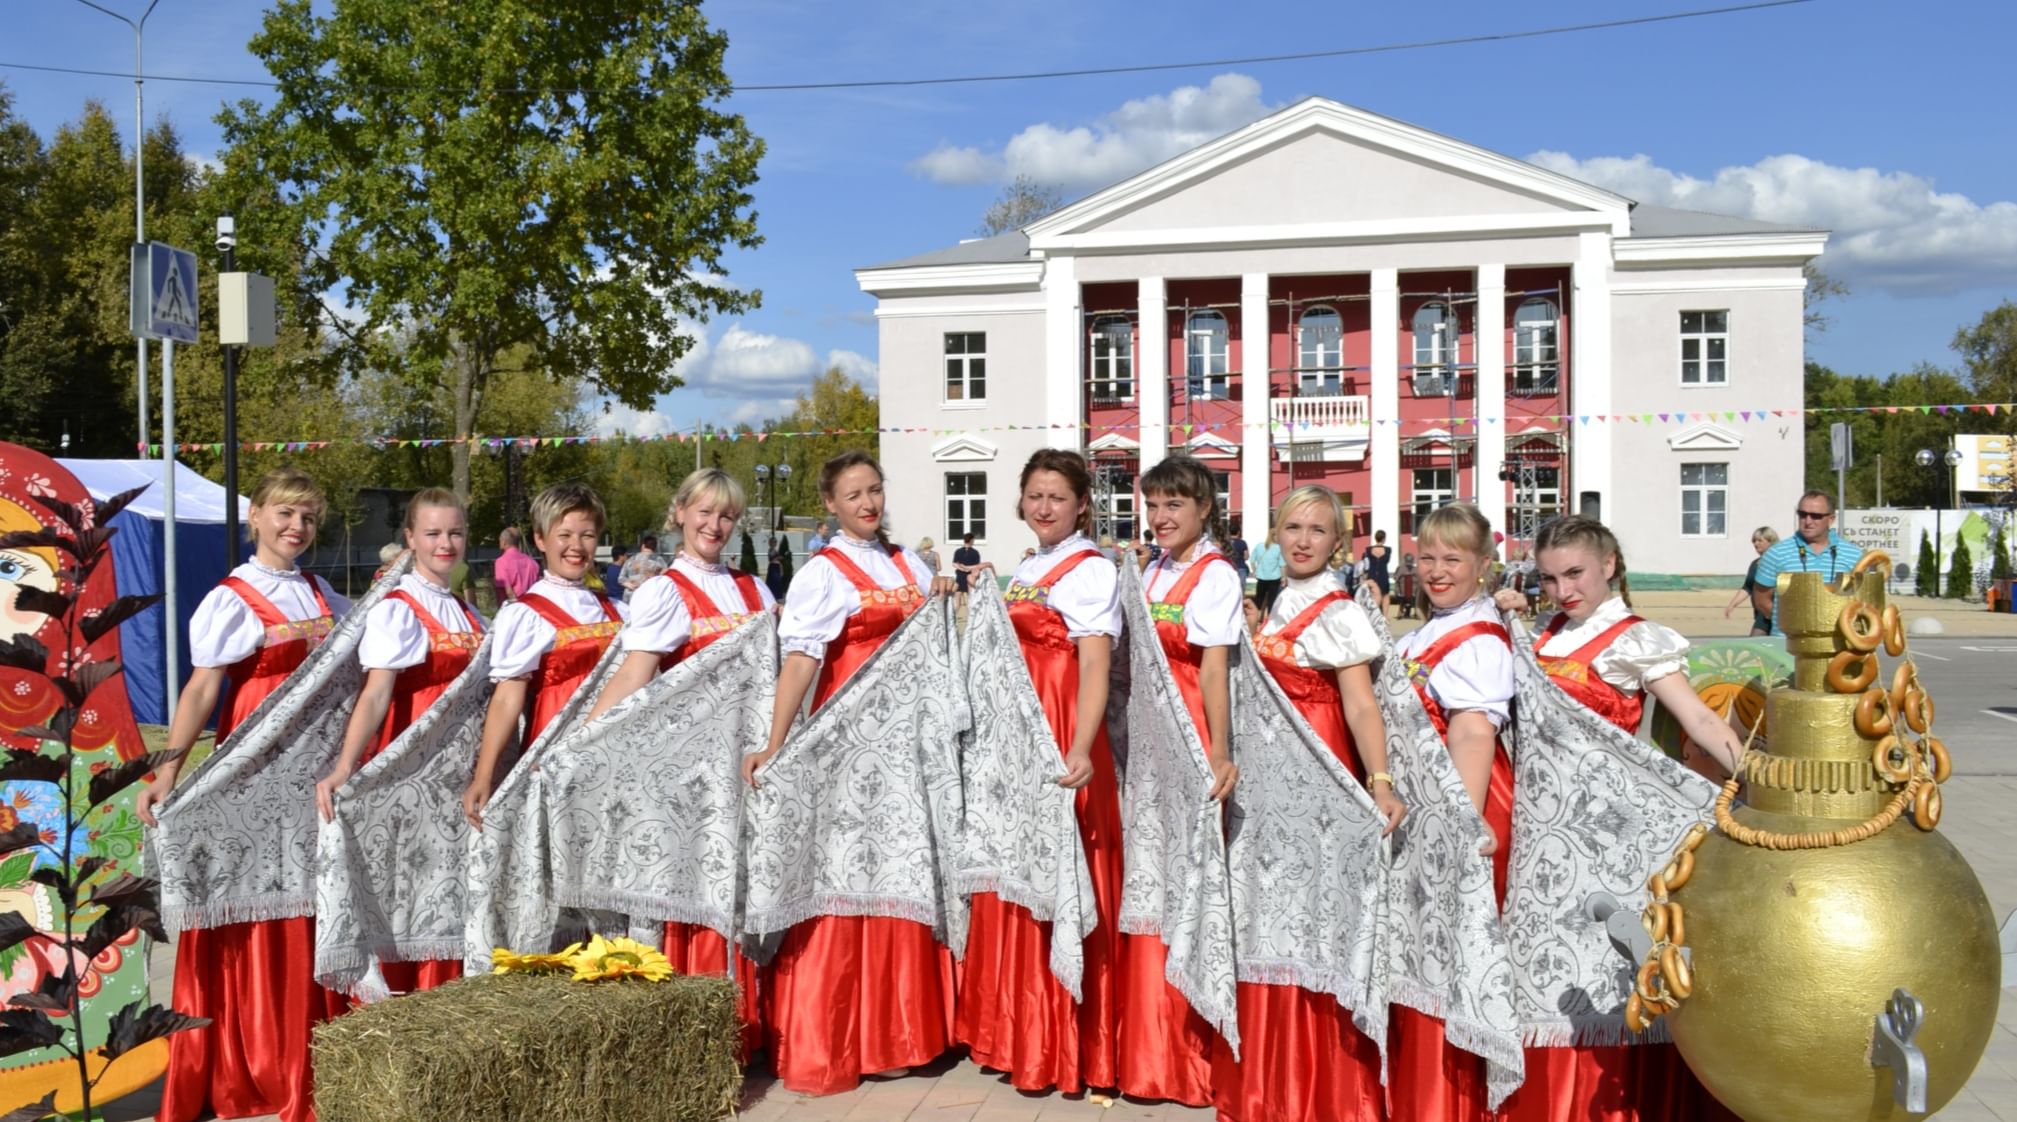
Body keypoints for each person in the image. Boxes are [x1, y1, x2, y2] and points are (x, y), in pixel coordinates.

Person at [1491, 516, 1743, 1122]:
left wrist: (1750, 777)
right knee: (1541, 973)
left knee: (1609, 974)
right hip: (1541, 834)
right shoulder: (1543, 632)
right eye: (1550, 578)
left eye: (1575, 573)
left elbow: (1699, 722)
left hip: (1609, 838)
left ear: (1608, 564)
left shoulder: (1637, 639)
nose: (1563, 589)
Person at [137, 468, 353, 1122]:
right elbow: (203, 689)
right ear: (255, 517)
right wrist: (168, 768)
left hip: (312, 766)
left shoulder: (324, 594)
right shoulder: (233, 597)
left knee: (307, 903)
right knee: (246, 902)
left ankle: (307, 1064)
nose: (297, 528)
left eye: (308, 518)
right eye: (285, 514)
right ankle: (250, 1067)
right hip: (254, 764)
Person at [740, 450, 956, 1095]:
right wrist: (777, 742)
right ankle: (834, 1033)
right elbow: (803, 662)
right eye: (854, 494)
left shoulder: (909, 563)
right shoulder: (822, 573)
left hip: (906, 748)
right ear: (830, 504)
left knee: (901, 867)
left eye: (875, 491)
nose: (868, 502)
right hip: (847, 746)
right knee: (845, 872)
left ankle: (900, 1032)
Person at [1212, 484, 1402, 1122]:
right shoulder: (1278, 600)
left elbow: (1359, 703)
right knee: (1270, 914)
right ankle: (1270, 1081)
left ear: (1338, 543)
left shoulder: (1340, 611)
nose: (1302, 540)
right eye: (1293, 527)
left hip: (1318, 772)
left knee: (1317, 920)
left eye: (1318, 531)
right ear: (1274, 533)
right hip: (1270, 783)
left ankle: (1323, 1093)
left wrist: (1378, 778)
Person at [584, 469, 773, 1051]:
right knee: (693, 885)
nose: (714, 526)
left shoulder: (754, 589)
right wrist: (588, 739)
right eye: (704, 513)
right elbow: (637, 674)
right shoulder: (665, 590)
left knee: (741, 886)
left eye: (726, 516)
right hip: (688, 771)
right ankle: (694, 1040)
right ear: (680, 514)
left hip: (745, 761)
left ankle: (746, 1031)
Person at [955, 449, 1124, 1094]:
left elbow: (1093, 664)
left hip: (1059, 725)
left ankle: (1057, 1043)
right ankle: (1011, 1030)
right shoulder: (1029, 567)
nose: (1044, 507)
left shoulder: (1089, 571)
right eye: (1034, 496)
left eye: (1056, 496)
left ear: (1082, 503)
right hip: (1014, 738)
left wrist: (1081, 745)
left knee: (1055, 872)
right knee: (1013, 869)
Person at [315, 488, 484, 994]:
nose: (445, 543)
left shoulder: (468, 611)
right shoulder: (399, 608)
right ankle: (416, 1000)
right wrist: (347, 764)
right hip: (416, 772)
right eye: (432, 533)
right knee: (416, 889)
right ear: (410, 538)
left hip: (464, 773)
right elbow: (376, 693)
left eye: (454, 532)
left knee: (456, 888)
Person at [1387, 502, 1515, 1122]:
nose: (1437, 572)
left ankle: (1451, 1104)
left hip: (1465, 802)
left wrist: (1460, 826)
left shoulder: (1476, 641)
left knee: (1450, 947)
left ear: (1483, 566)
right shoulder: (1430, 629)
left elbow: (1470, 735)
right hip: (1426, 806)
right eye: (1428, 558)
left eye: (1452, 560)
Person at [1123, 454, 1240, 1106]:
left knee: (1190, 887)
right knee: (1154, 884)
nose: (1162, 516)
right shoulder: (1153, 570)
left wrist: (1219, 751)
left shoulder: (1212, 574)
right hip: (1149, 747)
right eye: (1154, 504)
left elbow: (1215, 668)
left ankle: (1192, 1061)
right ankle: (1152, 1054)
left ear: (1203, 510)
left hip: (1191, 739)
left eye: (1175, 505)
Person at [461, 483, 626, 829]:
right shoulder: (526, 614)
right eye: (564, 534)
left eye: (588, 535)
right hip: (552, 757)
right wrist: (484, 775)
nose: (576, 547)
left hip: (616, 757)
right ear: (540, 539)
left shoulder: (618, 609)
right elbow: (507, 698)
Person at [1752, 490, 1863, 633]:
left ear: (1831, 519)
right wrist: (1791, 623)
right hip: (1787, 646)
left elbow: (1861, 601)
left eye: (1816, 516)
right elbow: (1761, 600)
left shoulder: (1853, 554)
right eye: (1803, 515)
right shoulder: (1776, 553)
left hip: (1837, 646)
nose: (1808, 521)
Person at [1726, 526, 1779, 636]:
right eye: (1754, 541)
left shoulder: (1778, 562)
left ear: (1771, 541)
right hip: (1760, 612)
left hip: (1774, 611)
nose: (1756, 544)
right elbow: (1747, 587)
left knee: (1756, 641)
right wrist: (1732, 604)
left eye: (1760, 540)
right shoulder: (1755, 564)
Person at [492, 527, 539, 603]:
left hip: (514, 607)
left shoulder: (501, 562)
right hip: (532, 606)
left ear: (504, 542)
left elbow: (505, 591)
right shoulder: (532, 562)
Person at [1250, 526, 1284, 615]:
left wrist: (1254, 571)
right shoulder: (1278, 548)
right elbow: (1282, 565)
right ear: (1275, 536)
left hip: (1261, 576)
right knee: (1272, 600)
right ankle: (1268, 619)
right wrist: (1284, 577)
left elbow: (1252, 560)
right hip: (1274, 577)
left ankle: (1256, 619)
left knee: (1258, 600)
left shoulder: (1259, 546)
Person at [1362, 528, 1393, 615]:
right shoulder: (1388, 550)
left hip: (1372, 574)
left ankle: (1374, 615)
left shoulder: (1368, 549)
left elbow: (1366, 563)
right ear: (1384, 538)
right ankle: (1385, 617)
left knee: (1373, 595)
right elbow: (1387, 561)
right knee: (1385, 595)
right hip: (1383, 574)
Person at [953, 531, 983, 613]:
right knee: (969, 595)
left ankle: (956, 612)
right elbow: (977, 565)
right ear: (971, 540)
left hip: (962, 575)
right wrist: (966, 569)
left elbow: (955, 564)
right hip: (968, 575)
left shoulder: (958, 551)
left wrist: (964, 568)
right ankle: (970, 612)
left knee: (958, 594)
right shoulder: (974, 552)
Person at [766, 535, 791, 603]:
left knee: (777, 582)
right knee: (774, 582)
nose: (775, 543)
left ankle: (777, 596)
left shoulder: (774, 550)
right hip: (773, 567)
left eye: (775, 542)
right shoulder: (771, 550)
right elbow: (771, 559)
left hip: (776, 567)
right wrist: (779, 558)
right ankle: (774, 596)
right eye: (774, 542)